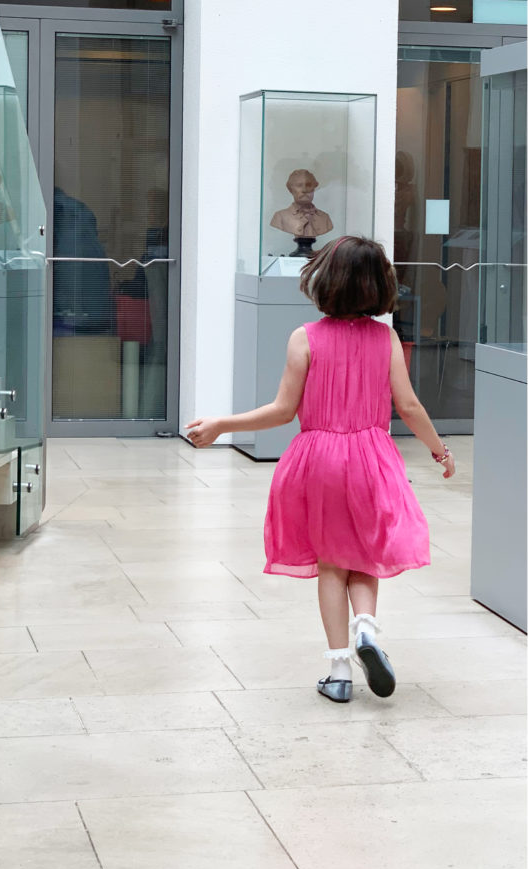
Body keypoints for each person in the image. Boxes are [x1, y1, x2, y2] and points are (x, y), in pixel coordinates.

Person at [185, 236, 455, 703]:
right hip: (372, 456)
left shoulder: (304, 338)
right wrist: (439, 451)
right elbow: (408, 406)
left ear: (324, 281)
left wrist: (222, 423)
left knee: (332, 564)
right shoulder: (386, 338)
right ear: (380, 285)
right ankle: (367, 630)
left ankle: (338, 671)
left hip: (320, 459)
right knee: (365, 555)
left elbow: (282, 410)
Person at [269, 168, 334, 238]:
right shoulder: (280, 217)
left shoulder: (325, 218)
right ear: (291, 189)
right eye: (299, 185)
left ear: (314, 188)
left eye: (309, 185)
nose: (304, 190)